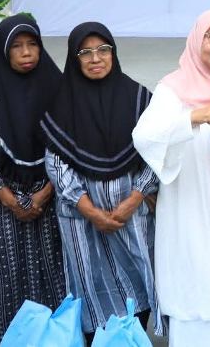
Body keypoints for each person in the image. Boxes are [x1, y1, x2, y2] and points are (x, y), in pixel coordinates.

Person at [132, 9, 210, 346]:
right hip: (189, 210)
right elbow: (145, 137)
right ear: (198, 39)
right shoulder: (172, 89)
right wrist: (191, 118)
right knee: (196, 290)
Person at [41, 22, 158, 341]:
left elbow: (156, 153)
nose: (96, 58)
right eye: (86, 52)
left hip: (130, 217)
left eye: (103, 49)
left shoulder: (139, 98)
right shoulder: (61, 103)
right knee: (91, 286)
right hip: (81, 220)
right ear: (74, 58)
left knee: (138, 282)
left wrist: (134, 200)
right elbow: (56, 163)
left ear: (113, 52)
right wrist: (91, 211)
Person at [0, 14, 66, 342]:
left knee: (51, 273)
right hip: (2, 200)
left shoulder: (57, 87)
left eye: (32, 44)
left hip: (49, 196)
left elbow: (70, 144)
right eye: (17, 46)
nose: (26, 53)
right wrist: (7, 197)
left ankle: (52, 339)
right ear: (2, 50)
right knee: (7, 277)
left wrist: (46, 191)